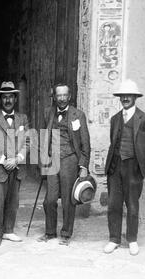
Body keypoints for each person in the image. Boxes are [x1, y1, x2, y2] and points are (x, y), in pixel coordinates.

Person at [104, 79, 145, 255]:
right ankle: (114, 239)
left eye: (129, 95)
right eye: (122, 96)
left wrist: (140, 162)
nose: (125, 98)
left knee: (132, 205)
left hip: (133, 168)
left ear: (135, 97)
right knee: (113, 205)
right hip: (115, 167)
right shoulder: (114, 119)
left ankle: (132, 240)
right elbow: (114, 143)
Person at [39, 83, 91, 246]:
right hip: (52, 159)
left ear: (69, 96)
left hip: (70, 159)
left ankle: (66, 233)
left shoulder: (78, 115)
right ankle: (50, 232)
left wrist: (83, 166)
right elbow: (43, 136)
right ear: (54, 96)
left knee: (68, 199)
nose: (61, 98)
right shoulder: (48, 112)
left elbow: (85, 142)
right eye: (58, 95)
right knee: (50, 199)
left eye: (64, 95)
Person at [0, 81, 29, 248]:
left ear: (15, 99)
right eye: (5, 97)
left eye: (11, 97)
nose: (8, 100)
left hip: (16, 167)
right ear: (0, 99)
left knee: (13, 201)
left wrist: (17, 159)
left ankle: (9, 230)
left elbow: (28, 141)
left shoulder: (23, 118)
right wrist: (3, 160)